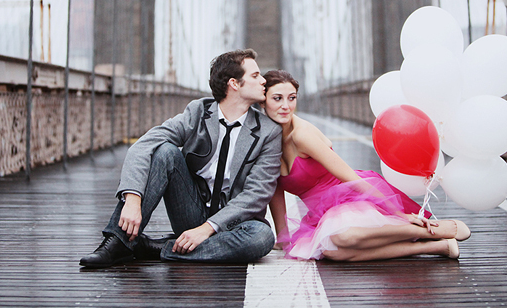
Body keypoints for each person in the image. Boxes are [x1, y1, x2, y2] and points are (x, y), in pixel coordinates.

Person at [80, 49, 283, 268]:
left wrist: (207, 229)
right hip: (191, 209)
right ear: (234, 84)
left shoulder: (268, 131)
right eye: (255, 76)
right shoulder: (198, 112)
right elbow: (144, 144)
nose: (264, 81)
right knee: (165, 151)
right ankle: (117, 241)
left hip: (233, 223)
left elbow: (257, 193)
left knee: (262, 237)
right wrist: (132, 197)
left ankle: (154, 248)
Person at [263, 70, 471, 261]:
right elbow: (275, 188)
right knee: (331, 251)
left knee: (343, 238)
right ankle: (436, 247)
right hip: (321, 212)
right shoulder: (266, 140)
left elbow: (349, 176)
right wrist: (283, 238)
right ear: (263, 102)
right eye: (277, 99)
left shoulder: (302, 135)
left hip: (347, 197)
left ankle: (432, 230)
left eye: (291, 98)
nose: (286, 106)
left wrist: (399, 214)